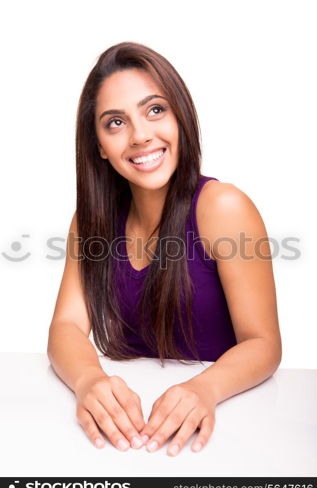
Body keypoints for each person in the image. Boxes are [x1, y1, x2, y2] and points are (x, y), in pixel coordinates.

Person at [47, 41, 282, 457]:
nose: (140, 136)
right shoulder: (91, 222)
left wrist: (205, 389)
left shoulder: (223, 207)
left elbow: (263, 343)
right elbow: (66, 326)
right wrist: (89, 381)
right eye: (115, 122)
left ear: (180, 117)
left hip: (226, 432)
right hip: (127, 441)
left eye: (155, 110)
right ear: (99, 145)